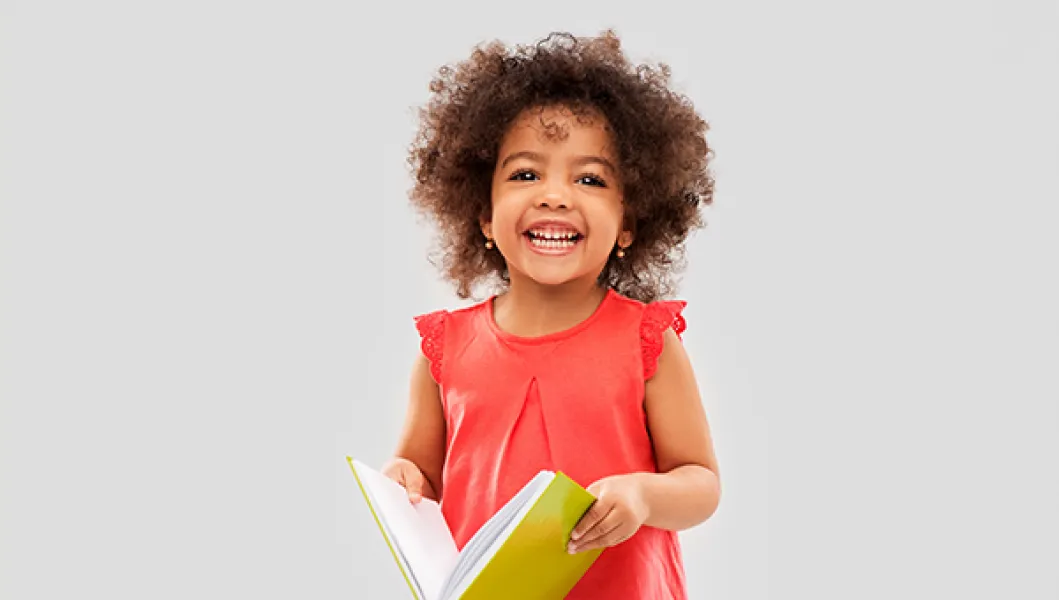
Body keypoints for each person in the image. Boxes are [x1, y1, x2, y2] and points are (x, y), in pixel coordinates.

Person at [382, 29, 720, 599]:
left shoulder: (646, 340)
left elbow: (701, 483)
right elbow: (419, 475)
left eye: (589, 179)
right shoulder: (445, 347)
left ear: (628, 223)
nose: (555, 195)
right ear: (484, 215)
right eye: (525, 174)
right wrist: (404, 482)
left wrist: (643, 495)